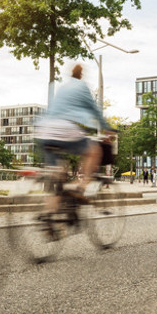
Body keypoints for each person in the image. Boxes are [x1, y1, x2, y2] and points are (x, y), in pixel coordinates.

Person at [34, 64, 113, 211]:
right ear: (81, 75)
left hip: (44, 130)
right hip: (64, 129)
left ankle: (49, 219)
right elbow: (94, 109)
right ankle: (80, 187)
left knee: (56, 177)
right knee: (94, 151)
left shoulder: (62, 88)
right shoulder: (81, 87)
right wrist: (106, 128)